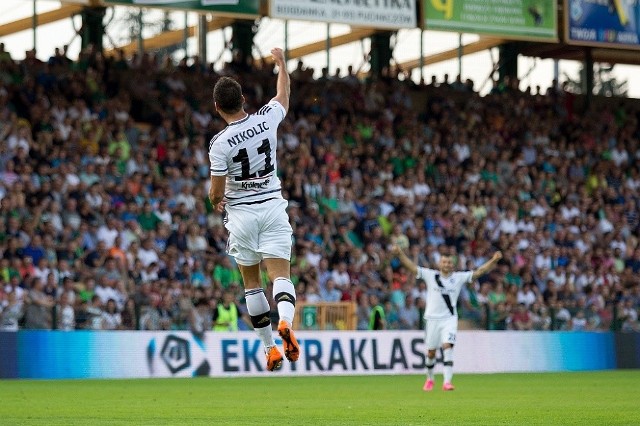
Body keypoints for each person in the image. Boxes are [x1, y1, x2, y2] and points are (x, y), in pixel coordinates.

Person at [208, 47, 299, 372]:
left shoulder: (220, 143)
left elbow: (217, 190)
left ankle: (269, 349)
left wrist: (214, 198)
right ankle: (286, 323)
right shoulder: (265, 120)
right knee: (280, 276)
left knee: (252, 282)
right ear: (244, 99)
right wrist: (281, 65)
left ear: (218, 107)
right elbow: (283, 95)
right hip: (273, 208)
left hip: (242, 217)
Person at [392, 244, 502, 391]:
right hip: (432, 319)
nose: (447, 264)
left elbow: (479, 272)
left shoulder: (458, 278)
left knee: (448, 346)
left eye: (449, 262)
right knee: (431, 352)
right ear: (440, 264)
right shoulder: (431, 275)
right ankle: (430, 379)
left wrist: (493, 260)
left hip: (449, 318)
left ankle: (447, 382)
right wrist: (400, 254)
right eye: (444, 262)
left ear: (453, 265)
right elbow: (412, 267)